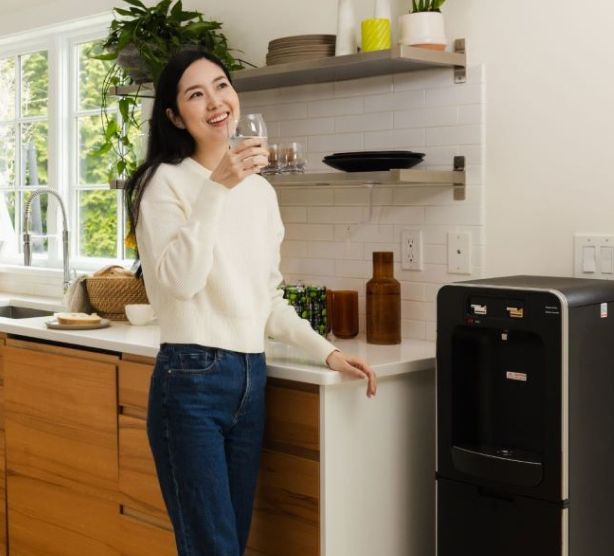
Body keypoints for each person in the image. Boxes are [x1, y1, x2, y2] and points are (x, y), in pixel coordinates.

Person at [125, 47, 377, 556]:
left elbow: (265, 298)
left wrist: (324, 350)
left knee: (231, 546)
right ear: (175, 116)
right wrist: (216, 189)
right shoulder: (164, 185)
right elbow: (179, 283)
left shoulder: (261, 193)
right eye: (196, 94)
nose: (215, 101)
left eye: (221, 85)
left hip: (250, 378)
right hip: (190, 381)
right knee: (213, 549)